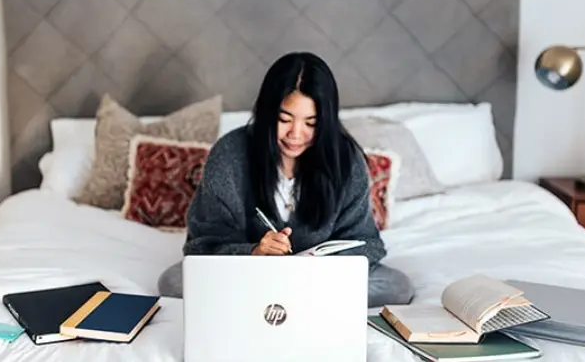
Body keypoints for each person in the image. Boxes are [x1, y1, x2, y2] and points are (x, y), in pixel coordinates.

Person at [157, 52, 414, 307]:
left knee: (397, 287)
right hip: (247, 273)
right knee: (173, 282)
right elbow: (202, 245)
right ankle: (295, 301)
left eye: (311, 123)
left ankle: (274, 300)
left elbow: (367, 243)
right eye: (284, 119)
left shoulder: (346, 160)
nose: (296, 134)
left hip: (318, 279)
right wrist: (254, 252)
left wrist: (319, 267)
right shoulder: (229, 154)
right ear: (267, 113)